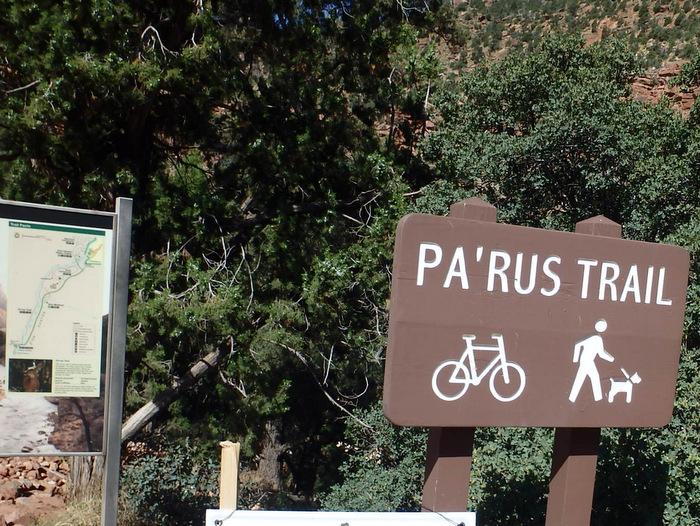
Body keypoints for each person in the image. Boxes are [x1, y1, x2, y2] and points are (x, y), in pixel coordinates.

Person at [568, 319, 614, 403]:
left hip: (586, 360)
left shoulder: (596, 337)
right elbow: (601, 353)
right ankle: (597, 398)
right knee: (589, 377)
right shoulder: (596, 338)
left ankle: (574, 398)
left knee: (588, 377)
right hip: (587, 361)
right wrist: (611, 359)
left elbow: (600, 353)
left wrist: (576, 359)